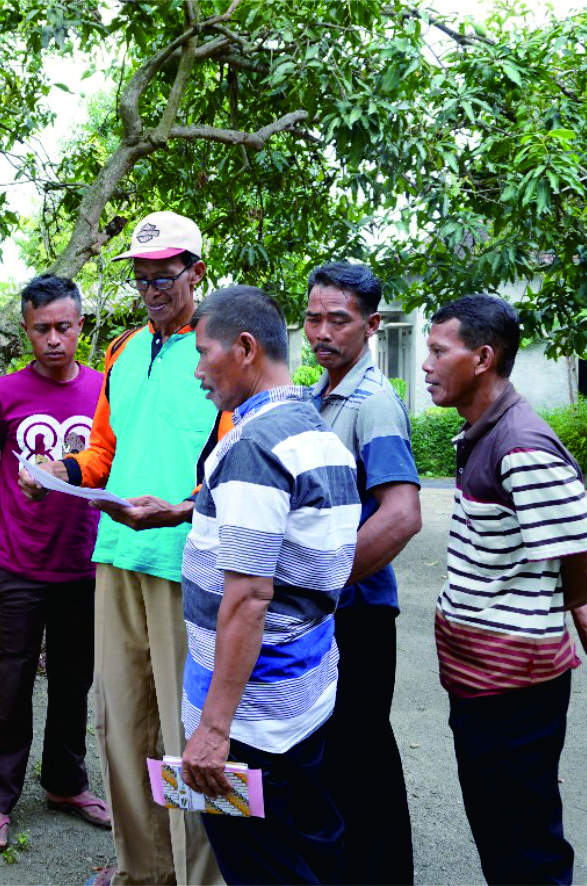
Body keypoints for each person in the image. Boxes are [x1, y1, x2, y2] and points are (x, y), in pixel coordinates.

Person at [18, 211, 225, 886]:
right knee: (124, 727)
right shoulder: (125, 351)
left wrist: (182, 510)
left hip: (186, 566)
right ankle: (144, 872)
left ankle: (204, 876)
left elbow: (238, 463)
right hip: (116, 558)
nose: (151, 291)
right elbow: (103, 451)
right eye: (140, 279)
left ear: (195, 272)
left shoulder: (222, 352)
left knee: (189, 736)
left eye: (163, 277)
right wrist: (62, 473)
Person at [422, 293, 587, 885]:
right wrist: (583, 619)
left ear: (483, 358)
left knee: (523, 845)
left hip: (511, 686)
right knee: (501, 829)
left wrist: (565, 606)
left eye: (439, 351)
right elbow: (543, 551)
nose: (426, 364)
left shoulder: (520, 446)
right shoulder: (482, 430)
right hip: (484, 675)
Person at [180, 286, 360, 885]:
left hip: (251, 718)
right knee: (307, 841)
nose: (199, 369)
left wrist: (212, 730)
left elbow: (250, 597)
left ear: (246, 348)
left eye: (204, 351)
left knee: (261, 866)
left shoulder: (254, 445)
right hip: (301, 699)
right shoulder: (311, 428)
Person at [0, 274, 111, 851]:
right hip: (18, 568)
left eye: (63, 327)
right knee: (9, 685)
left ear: (80, 327)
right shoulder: (3, 394)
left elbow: (118, 469)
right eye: (41, 328)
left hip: (85, 567)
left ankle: (66, 785)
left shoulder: (104, 390)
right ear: (26, 329)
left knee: (74, 683)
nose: (53, 339)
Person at [303, 262, 420, 884]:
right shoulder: (321, 396)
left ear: (372, 326)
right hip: (329, 615)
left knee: (361, 757)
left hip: (359, 614)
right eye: (313, 318)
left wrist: (320, 578)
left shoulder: (372, 403)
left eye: (338, 321)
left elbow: (401, 516)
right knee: (338, 756)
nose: (322, 332)